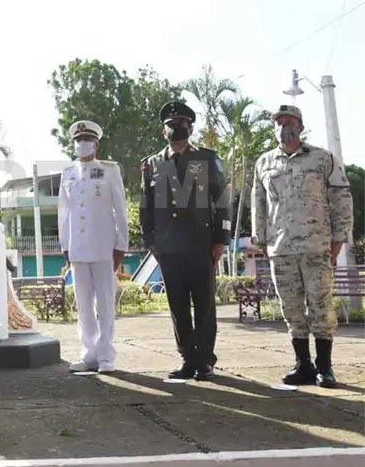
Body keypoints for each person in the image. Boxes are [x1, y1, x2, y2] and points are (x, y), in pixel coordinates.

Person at [251, 104, 353, 388]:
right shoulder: (264, 162)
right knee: (291, 308)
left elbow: (341, 198)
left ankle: (325, 367)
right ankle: (302, 364)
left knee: (321, 306)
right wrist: (261, 240)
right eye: (279, 122)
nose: (284, 126)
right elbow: (258, 203)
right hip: (281, 248)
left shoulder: (322, 158)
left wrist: (338, 238)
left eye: (290, 121)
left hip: (316, 246)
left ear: (300, 126)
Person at [139, 101, 230, 381]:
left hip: (201, 244)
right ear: (162, 131)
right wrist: (150, 241)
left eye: (181, 124)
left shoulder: (206, 158)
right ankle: (188, 359)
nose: (176, 128)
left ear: (190, 129)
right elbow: (145, 205)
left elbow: (222, 200)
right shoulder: (152, 164)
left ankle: (205, 360)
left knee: (204, 305)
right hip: (168, 247)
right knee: (178, 307)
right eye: (171, 125)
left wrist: (220, 239)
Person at [58, 120, 128, 374]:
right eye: (78, 140)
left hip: (103, 246)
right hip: (77, 248)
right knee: (84, 304)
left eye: (87, 140)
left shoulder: (109, 170)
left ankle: (105, 355)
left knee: (105, 303)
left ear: (96, 145)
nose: (82, 144)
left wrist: (121, 244)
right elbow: (64, 212)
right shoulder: (67, 173)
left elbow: (120, 209)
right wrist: (65, 246)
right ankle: (88, 353)